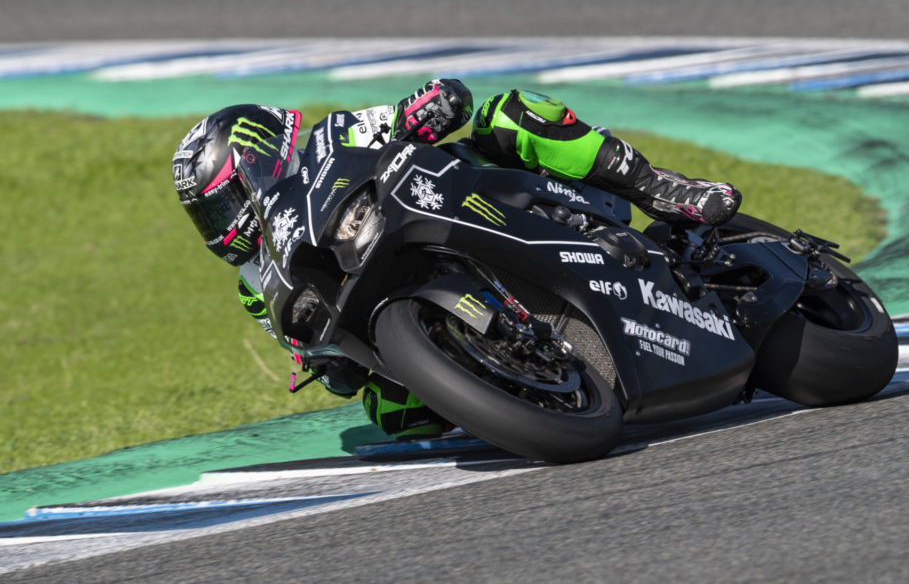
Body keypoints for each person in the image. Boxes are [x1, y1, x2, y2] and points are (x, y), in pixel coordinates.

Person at [172, 79, 741, 439]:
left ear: (258, 157)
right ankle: (524, 376)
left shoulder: (330, 136)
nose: (222, 224)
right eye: (209, 215)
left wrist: (428, 106)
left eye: (224, 202)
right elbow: (325, 365)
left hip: (462, 197)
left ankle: (663, 188)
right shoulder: (255, 282)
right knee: (395, 418)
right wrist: (326, 362)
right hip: (383, 301)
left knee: (511, 112)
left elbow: (432, 104)